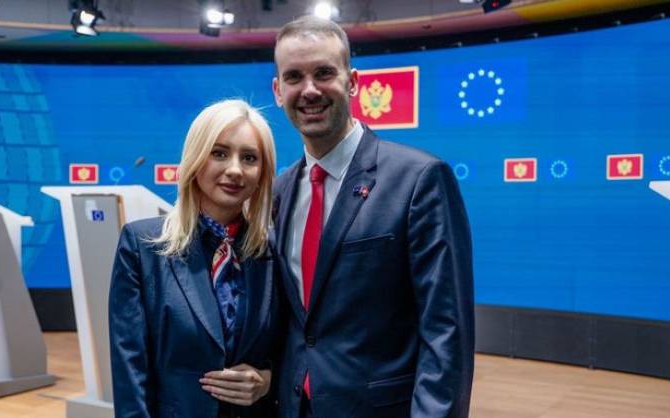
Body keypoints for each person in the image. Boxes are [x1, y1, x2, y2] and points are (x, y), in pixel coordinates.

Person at [271, 16, 475, 418]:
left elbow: (446, 331)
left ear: (353, 82)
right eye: (294, 77)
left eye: (324, 73)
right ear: (278, 91)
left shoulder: (419, 179)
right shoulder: (277, 192)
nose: (309, 90)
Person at [109, 99, 279, 418]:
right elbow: (130, 370)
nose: (234, 169)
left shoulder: (273, 251)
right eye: (219, 153)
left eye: (249, 158)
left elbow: (293, 348)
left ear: (263, 173)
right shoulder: (142, 246)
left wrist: (270, 380)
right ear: (195, 159)